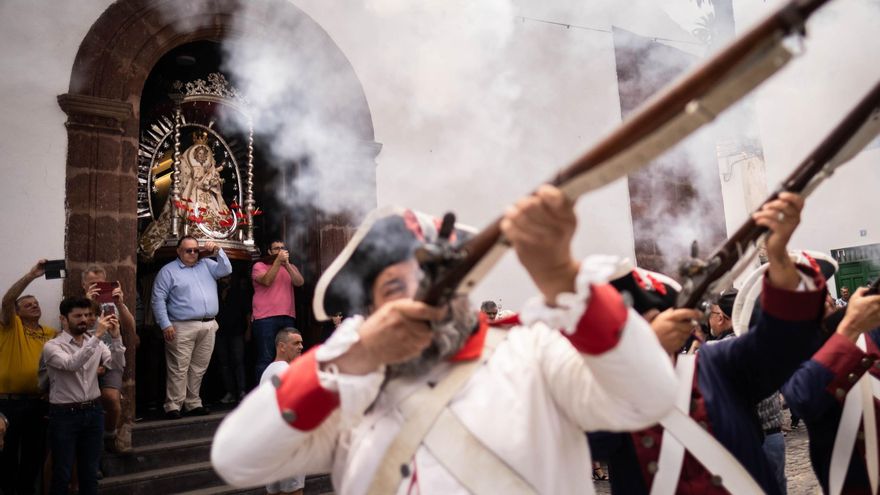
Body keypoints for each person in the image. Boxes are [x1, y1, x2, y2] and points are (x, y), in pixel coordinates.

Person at [213, 185, 678, 494]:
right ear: (373, 312)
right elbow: (237, 458)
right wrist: (354, 356)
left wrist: (562, 276)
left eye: (430, 278)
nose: (418, 294)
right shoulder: (352, 392)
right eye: (393, 288)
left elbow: (647, 397)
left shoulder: (534, 354)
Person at [588, 192, 829, 495]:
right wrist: (646, 352)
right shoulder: (604, 392)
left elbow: (784, 340)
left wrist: (778, 253)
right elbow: (587, 438)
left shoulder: (716, 364)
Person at [781, 287, 880, 493]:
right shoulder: (789, 354)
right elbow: (802, 399)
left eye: (823, 292)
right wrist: (850, 329)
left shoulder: (869, 330)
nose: (825, 300)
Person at [43, 296, 124, 495]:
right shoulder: (53, 346)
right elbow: (72, 364)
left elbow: (116, 364)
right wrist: (97, 336)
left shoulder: (94, 342)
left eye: (87, 315)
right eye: (78, 315)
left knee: (90, 472)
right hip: (64, 415)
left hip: (93, 412)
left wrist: (115, 337)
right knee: (62, 471)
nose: (84, 320)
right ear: (63, 319)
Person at [152, 236, 232, 419]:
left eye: (196, 250)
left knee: (198, 367)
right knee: (179, 367)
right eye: (188, 250)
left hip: (208, 324)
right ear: (178, 251)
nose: (193, 254)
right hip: (181, 325)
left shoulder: (206, 264)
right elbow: (158, 300)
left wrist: (218, 251)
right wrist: (165, 324)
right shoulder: (168, 271)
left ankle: (193, 402)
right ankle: (173, 405)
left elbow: (226, 269)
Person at [0, 259, 57, 495]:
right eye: (27, 304)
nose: (34, 306)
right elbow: (6, 301)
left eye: (36, 303)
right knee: (7, 457)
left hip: (37, 404)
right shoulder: (11, 326)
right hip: (8, 403)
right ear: (17, 311)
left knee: (33, 456)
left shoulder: (50, 333)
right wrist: (31, 275)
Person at [81, 265, 136, 453]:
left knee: (111, 398)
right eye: (92, 284)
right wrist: (88, 304)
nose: (97, 287)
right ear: (83, 286)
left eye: (101, 284)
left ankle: (110, 434)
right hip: (85, 360)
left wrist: (120, 303)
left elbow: (130, 327)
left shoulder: (113, 303)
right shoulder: (77, 305)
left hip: (112, 357)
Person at [259, 328, 305, 495]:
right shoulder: (286, 372)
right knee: (294, 490)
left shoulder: (267, 372)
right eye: (296, 343)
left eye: (301, 343)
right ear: (282, 347)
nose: (300, 347)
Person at [251, 239, 305, 381]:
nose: (280, 251)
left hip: (288, 316)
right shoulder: (259, 266)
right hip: (265, 318)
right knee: (266, 357)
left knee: (290, 356)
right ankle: (261, 395)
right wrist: (277, 262)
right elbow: (267, 281)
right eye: (276, 249)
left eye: (282, 248)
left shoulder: (290, 266)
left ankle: (286, 391)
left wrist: (286, 264)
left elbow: (299, 282)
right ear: (269, 251)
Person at [216, 273, 249, 404]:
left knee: (238, 362)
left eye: (229, 277)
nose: (226, 280)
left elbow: (247, 312)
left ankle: (242, 391)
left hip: (237, 331)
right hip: (220, 332)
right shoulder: (215, 291)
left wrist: (248, 330)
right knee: (224, 364)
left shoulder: (238, 291)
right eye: (224, 277)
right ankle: (230, 392)